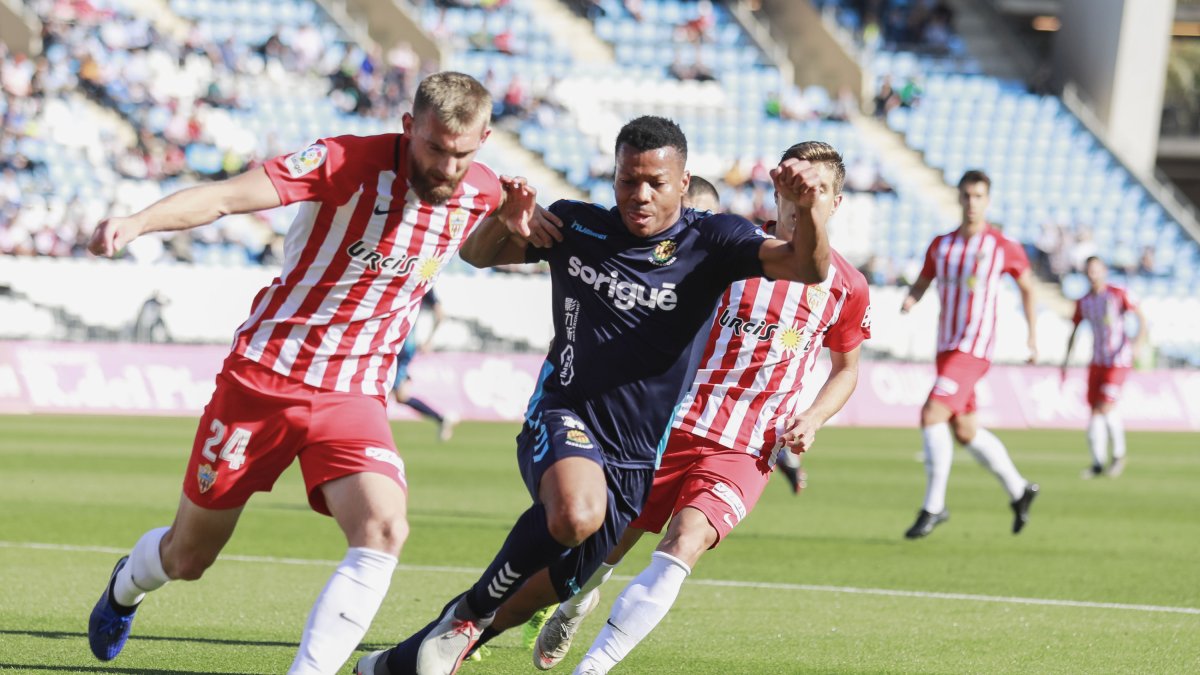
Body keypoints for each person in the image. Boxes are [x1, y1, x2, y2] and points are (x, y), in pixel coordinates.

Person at [85, 71, 537, 675]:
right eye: (434, 149)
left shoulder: (483, 189)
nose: (447, 167)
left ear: (483, 138)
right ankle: (126, 586)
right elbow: (225, 196)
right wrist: (137, 222)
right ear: (409, 128)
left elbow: (481, 251)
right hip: (265, 379)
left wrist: (515, 229)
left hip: (355, 395)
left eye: (462, 153)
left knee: (383, 527)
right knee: (189, 555)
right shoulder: (343, 159)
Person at [354, 115, 833, 675]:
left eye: (656, 181)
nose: (640, 194)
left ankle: (396, 664)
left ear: (684, 182)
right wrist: (502, 222)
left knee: (548, 586)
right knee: (577, 512)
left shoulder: (716, 242)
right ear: (613, 178)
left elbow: (808, 265)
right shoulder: (578, 225)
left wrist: (813, 209)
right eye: (628, 180)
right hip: (563, 412)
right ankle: (467, 616)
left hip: (636, 457)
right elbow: (480, 255)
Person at [525, 141, 872, 674]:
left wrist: (814, 417)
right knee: (605, 549)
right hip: (671, 424)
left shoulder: (847, 287)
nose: (806, 201)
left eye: (819, 191)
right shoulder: (733, 251)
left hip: (748, 444)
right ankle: (574, 604)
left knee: (684, 542)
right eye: (797, 189)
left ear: (836, 202)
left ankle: (593, 668)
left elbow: (846, 369)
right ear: (777, 193)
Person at [900, 169, 1040, 540]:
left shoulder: (1001, 245)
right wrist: (911, 299)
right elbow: (924, 279)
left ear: (987, 200)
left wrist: (1032, 336)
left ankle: (934, 505)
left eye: (978, 196)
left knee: (932, 413)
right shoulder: (942, 245)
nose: (972, 203)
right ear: (959, 198)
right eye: (966, 196)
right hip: (946, 347)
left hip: (974, 348)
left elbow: (1028, 287)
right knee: (964, 430)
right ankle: (1019, 489)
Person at [1061, 256, 1146, 478]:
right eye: (1089, 271)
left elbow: (1142, 319)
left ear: (1104, 271)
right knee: (1095, 411)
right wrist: (1066, 360)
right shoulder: (1084, 301)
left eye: (1096, 270)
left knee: (1105, 407)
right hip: (1097, 361)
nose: (1093, 275)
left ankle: (1118, 455)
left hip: (1118, 360)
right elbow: (1074, 330)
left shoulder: (1117, 294)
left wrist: (1137, 345)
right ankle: (1097, 462)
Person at [392, 288, 457, 442]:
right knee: (400, 396)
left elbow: (441, 314)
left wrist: (429, 340)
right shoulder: (422, 277)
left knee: (381, 390)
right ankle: (441, 419)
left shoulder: (416, 280)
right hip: (402, 344)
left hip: (398, 344)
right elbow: (440, 314)